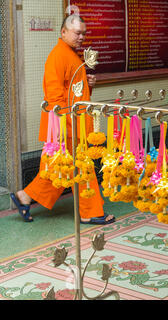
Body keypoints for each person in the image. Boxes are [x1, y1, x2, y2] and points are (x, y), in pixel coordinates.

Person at [10, 14, 115, 225]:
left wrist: (89, 83)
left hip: (73, 124)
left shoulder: (71, 55)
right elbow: (55, 97)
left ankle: (25, 197)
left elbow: (74, 93)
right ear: (63, 32)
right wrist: (67, 126)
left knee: (60, 171)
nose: (81, 37)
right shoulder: (58, 56)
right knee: (82, 168)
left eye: (84, 33)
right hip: (66, 126)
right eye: (77, 33)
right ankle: (90, 211)